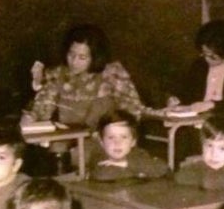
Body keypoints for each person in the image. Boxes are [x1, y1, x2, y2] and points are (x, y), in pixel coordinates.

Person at [24, 24, 163, 130]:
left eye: (82, 57)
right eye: (71, 54)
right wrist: (31, 118)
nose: (74, 61)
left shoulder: (112, 74)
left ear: (95, 57)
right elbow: (42, 109)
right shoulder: (57, 75)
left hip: (105, 143)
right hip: (68, 141)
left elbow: (132, 110)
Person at [167, 20, 224, 112]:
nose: (206, 59)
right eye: (204, 53)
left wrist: (213, 105)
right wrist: (177, 99)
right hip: (195, 117)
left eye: (212, 56)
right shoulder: (199, 66)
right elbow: (189, 92)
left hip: (223, 118)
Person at [87, 110, 170, 182]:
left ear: (133, 141)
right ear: (101, 142)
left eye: (124, 137)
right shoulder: (99, 157)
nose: (117, 143)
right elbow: (104, 175)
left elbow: (162, 168)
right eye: (111, 137)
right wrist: (140, 172)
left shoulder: (138, 153)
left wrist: (125, 164)